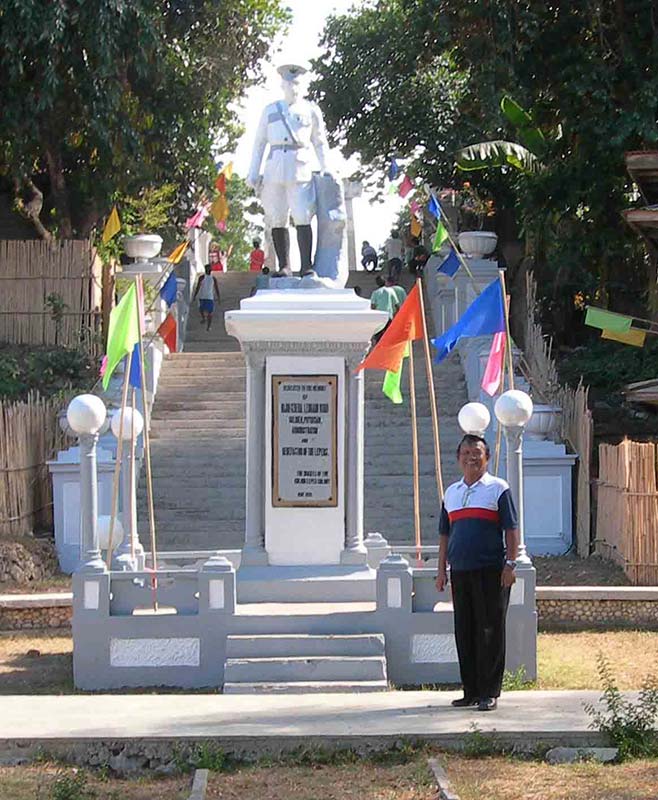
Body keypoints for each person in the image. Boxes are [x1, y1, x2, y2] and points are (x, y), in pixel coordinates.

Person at [436, 434, 519, 712]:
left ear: (487, 458)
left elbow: (511, 529)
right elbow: (445, 534)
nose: (472, 457)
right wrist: (441, 570)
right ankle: (470, 690)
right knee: (465, 631)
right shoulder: (451, 492)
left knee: (490, 630)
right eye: (466, 452)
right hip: (460, 570)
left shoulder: (498, 489)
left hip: (491, 571)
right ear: (458, 457)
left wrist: (511, 564)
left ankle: (489, 692)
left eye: (477, 453)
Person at [247, 62, 330, 276]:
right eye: (287, 83)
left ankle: (306, 265)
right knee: (277, 216)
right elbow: (259, 143)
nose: (292, 87)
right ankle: (284, 265)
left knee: (302, 215)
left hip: (300, 166)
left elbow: (320, 142)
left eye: (295, 84)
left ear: (301, 86)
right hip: (274, 168)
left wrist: (326, 168)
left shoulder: (311, 110)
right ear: (282, 85)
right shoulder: (270, 110)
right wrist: (253, 172)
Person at [192, 265, 221, 331]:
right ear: (205, 269)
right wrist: (195, 295)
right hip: (202, 297)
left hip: (210, 297)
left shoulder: (213, 278)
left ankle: (209, 326)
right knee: (201, 309)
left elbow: (216, 288)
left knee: (210, 313)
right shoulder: (202, 277)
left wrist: (218, 297)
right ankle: (203, 318)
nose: (209, 270)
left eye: (210, 268)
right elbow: (198, 287)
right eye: (208, 268)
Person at [370, 276, 397, 341]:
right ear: (385, 282)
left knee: (379, 336)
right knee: (388, 335)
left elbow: (373, 306)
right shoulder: (390, 291)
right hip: (389, 316)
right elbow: (396, 304)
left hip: (379, 317)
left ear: (377, 283)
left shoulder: (375, 293)